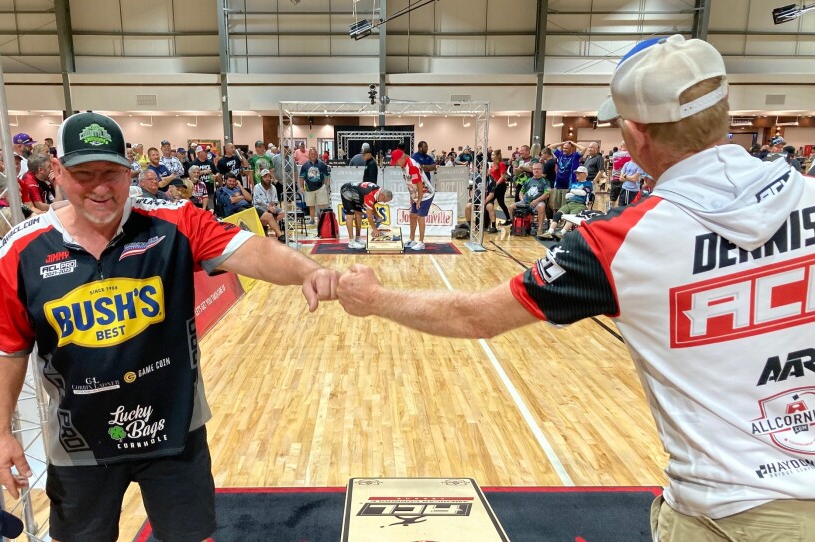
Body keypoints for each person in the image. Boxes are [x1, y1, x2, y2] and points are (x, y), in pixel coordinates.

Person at [338, 35, 815, 540]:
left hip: (725, 511)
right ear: (724, 111)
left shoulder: (618, 243)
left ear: (636, 133)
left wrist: (374, 299)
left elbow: (474, 316)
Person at [0, 112, 340, 542]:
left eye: (111, 172)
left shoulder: (175, 221)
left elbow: (252, 249)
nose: (101, 187)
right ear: (57, 172)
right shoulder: (20, 250)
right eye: (84, 174)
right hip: (80, 442)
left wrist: (308, 271)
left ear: (129, 170)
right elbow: (2, 347)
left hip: (173, 429)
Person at [391, 145, 433, 250]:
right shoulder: (403, 166)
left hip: (425, 193)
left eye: (396, 161)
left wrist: (419, 199)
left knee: (420, 216)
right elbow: (409, 182)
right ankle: (412, 239)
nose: (395, 164)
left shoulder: (412, 166)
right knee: (412, 215)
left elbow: (419, 183)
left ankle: (421, 242)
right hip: (416, 194)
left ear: (402, 158)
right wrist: (412, 197)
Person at [339, 182, 393, 250]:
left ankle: (358, 238)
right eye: (385, 200)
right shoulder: (370, 194)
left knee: (359, 214)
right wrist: (375, 229)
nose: (384, 202)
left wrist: (377, 216)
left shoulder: (378, 192)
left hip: (357, 194)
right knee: (350, 215)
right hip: (347, 191)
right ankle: (351, 242)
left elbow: (371, 205)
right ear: (382, 195)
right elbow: (369, 214)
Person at [252, 168, 286, 242]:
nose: (267, 179)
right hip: (259, 207)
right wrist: (268, 207)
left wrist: (272, 206)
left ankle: (269, 224)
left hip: (271, 206)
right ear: (261, 178)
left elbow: (275, 199)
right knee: (267, 214)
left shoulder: (273, 187)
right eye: (265, 177)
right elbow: (257, 201)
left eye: (268, 177)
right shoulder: (257, 187)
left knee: (283, 213)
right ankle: (270, 227)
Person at [299, 147, 330, 225]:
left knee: (321, 205)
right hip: (309, 188)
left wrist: (324, 185)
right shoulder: (305, 166)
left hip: (320, 188)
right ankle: (312, 219)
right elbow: (301, 177)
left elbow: (326, 176)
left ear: (317, 155)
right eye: (311, 154)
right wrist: (302, 187)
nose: (313, 155)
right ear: (309, 155)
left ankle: (321, 219)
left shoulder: (322, 164)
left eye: (314, 154)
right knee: (311, 205)